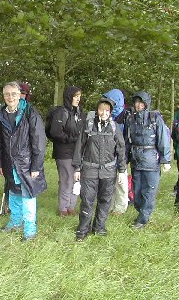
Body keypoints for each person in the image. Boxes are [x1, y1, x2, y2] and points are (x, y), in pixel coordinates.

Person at [0, 81, 47, 241]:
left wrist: (36, 165)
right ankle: (15, 222)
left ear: (20, 95)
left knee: (28, 195)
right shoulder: (0, 115)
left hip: (27, 163)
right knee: (14, 192)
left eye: (14, 94)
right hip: (9, 163)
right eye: (7, 94)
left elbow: (39, 140)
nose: (10, 97)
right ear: (4, 96)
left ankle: (30, 230)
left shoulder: (30, 113)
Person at [72, 98, 126, 241]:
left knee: (105, 200)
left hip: (108, 171)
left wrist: (121, 170)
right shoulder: (88, 125)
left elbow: (121, 150)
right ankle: (83, 230)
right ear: (97, 110)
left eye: (107, 110)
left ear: (110, 112)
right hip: (89, 170)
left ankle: (99, 227)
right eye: (101, 109)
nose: (104, 113)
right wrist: (77, 168)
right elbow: (79, 147)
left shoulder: (114, 128)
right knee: (87, 201)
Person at [124, 91, 171, 229]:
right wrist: (124, 160)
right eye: (136, 102)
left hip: (151, 160)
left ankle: (143, 218)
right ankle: (141, 212)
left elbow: (163, 139)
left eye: (141, 102)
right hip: (136, 159)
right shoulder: (130, 119)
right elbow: (127, 141)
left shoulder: (155, 118)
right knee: (137, 190)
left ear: (146, 104)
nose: (138, 105)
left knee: (149, 190)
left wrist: (165, 160)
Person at [49, 85, 84, 216]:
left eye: (79, 96)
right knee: (67, 179)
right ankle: (63, 208)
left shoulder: (79, 112)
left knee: (77, 178)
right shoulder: (61, 112)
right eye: (75, 96)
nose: (78, 99)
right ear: (69, 97)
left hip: (77, 151)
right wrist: (71, 138)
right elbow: (55, 131)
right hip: (63, 152)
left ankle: (71, 206)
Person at [102, 89, 129, 215]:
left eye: (112, 101)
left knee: (122, 183)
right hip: (108, 155)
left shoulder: (126, 116)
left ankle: (120, 207)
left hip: (121, 154)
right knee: (109, 183)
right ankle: (109, 205)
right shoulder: (106, 115)